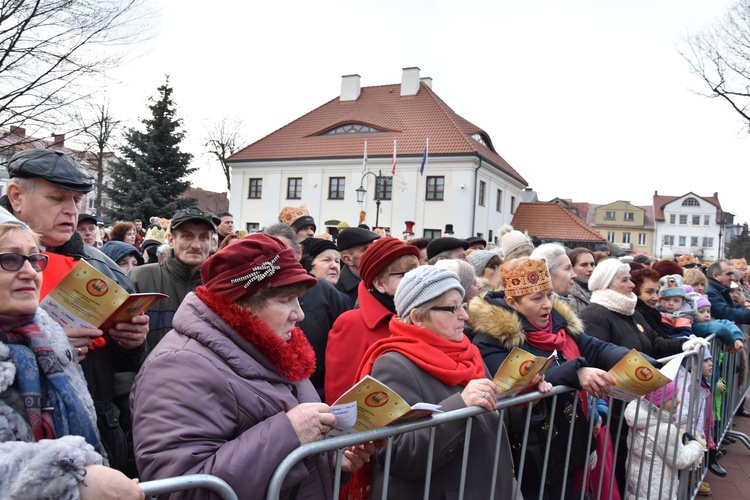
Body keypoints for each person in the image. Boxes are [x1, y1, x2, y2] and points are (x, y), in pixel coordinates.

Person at [131, 233, 375, 499]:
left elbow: (291, 462)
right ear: (239, 305)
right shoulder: (178, 368)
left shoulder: (276, 348)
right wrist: (289, 434)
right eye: (285, 300)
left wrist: (331, 460)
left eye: (298, 300)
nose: (300, 314)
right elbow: (181, 490)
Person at [0, 148, 149, 477]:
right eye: (57, 199)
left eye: (77, 201)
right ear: (16, 196)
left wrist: (133, 343)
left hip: (98, 431)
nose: (71, 211)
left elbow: (127, 373)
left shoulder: (101, 268)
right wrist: (45, 343)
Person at [356, 265, 525, 499]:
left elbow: (492, 419)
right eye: (453, 308)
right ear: (418, 317)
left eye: (463, 305)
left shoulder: (468, 353)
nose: (464, 316)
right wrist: (460, 406)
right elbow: (397, 453)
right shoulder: (394, 364)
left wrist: (525, 395)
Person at [471, 257, 629, 500]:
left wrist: (637, 361)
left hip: (570, 442)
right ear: (512, 302)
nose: (547, 305)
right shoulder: (491, 339)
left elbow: (595, 348)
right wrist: (576, 371)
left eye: (549, 295)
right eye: (537, 298)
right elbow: (519, 380)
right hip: (532, 453)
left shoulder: (558, 323)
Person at [578, 258, 707, 497]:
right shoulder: (596, 314)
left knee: (635, 466)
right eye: (624, 280)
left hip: (638, 404)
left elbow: (654, 344)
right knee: (619, 462)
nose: (630, 285)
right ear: (608, 283)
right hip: (617, 406)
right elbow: (596, 357)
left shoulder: (631, 312)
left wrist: (685, 344)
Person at [325, 237, 420, 404]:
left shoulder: (421, 317)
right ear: (379, 283)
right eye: (404, 275)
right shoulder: (351, 324)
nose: (416, 281)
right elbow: (342, 397)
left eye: (417, 273)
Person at [264, 223, 348, 402]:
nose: (276, 260)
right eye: (270, 252)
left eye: (283, 251)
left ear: (298, 253)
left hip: (322, 393)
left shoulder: (323, 290)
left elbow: (345, 341)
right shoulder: (256, 295)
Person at [128, 207, 216, 349]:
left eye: (204, 237)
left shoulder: (220, 287)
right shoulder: (139, 279)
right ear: (171, 240)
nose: (196, 245)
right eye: (187, 236)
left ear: (212, 242)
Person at [623, 382, 705, 500]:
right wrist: (695, 446)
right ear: (659, 401)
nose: (678, 401)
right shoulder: (665, 429)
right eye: (672, 398)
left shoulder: (638, 420)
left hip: (636, 488)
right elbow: (680, 459)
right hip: (659, 491)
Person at [335, 227, 380, 305]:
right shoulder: (337, 292)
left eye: (373, 247)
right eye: (365, 250)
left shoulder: (382, 281)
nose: (373, 252)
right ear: (348, 259)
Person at [631, 267, 664, 333]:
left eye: (657, 292)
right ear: (635, 292)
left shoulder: (652, 312)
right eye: (649, 292)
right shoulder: (640, 315)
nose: (656, 298)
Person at [569, 247, 596, 316]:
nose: (590, 269)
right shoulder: (569, 293)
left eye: (592, 264)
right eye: (584, 265)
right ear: (571, 268)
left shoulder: (601, 289)